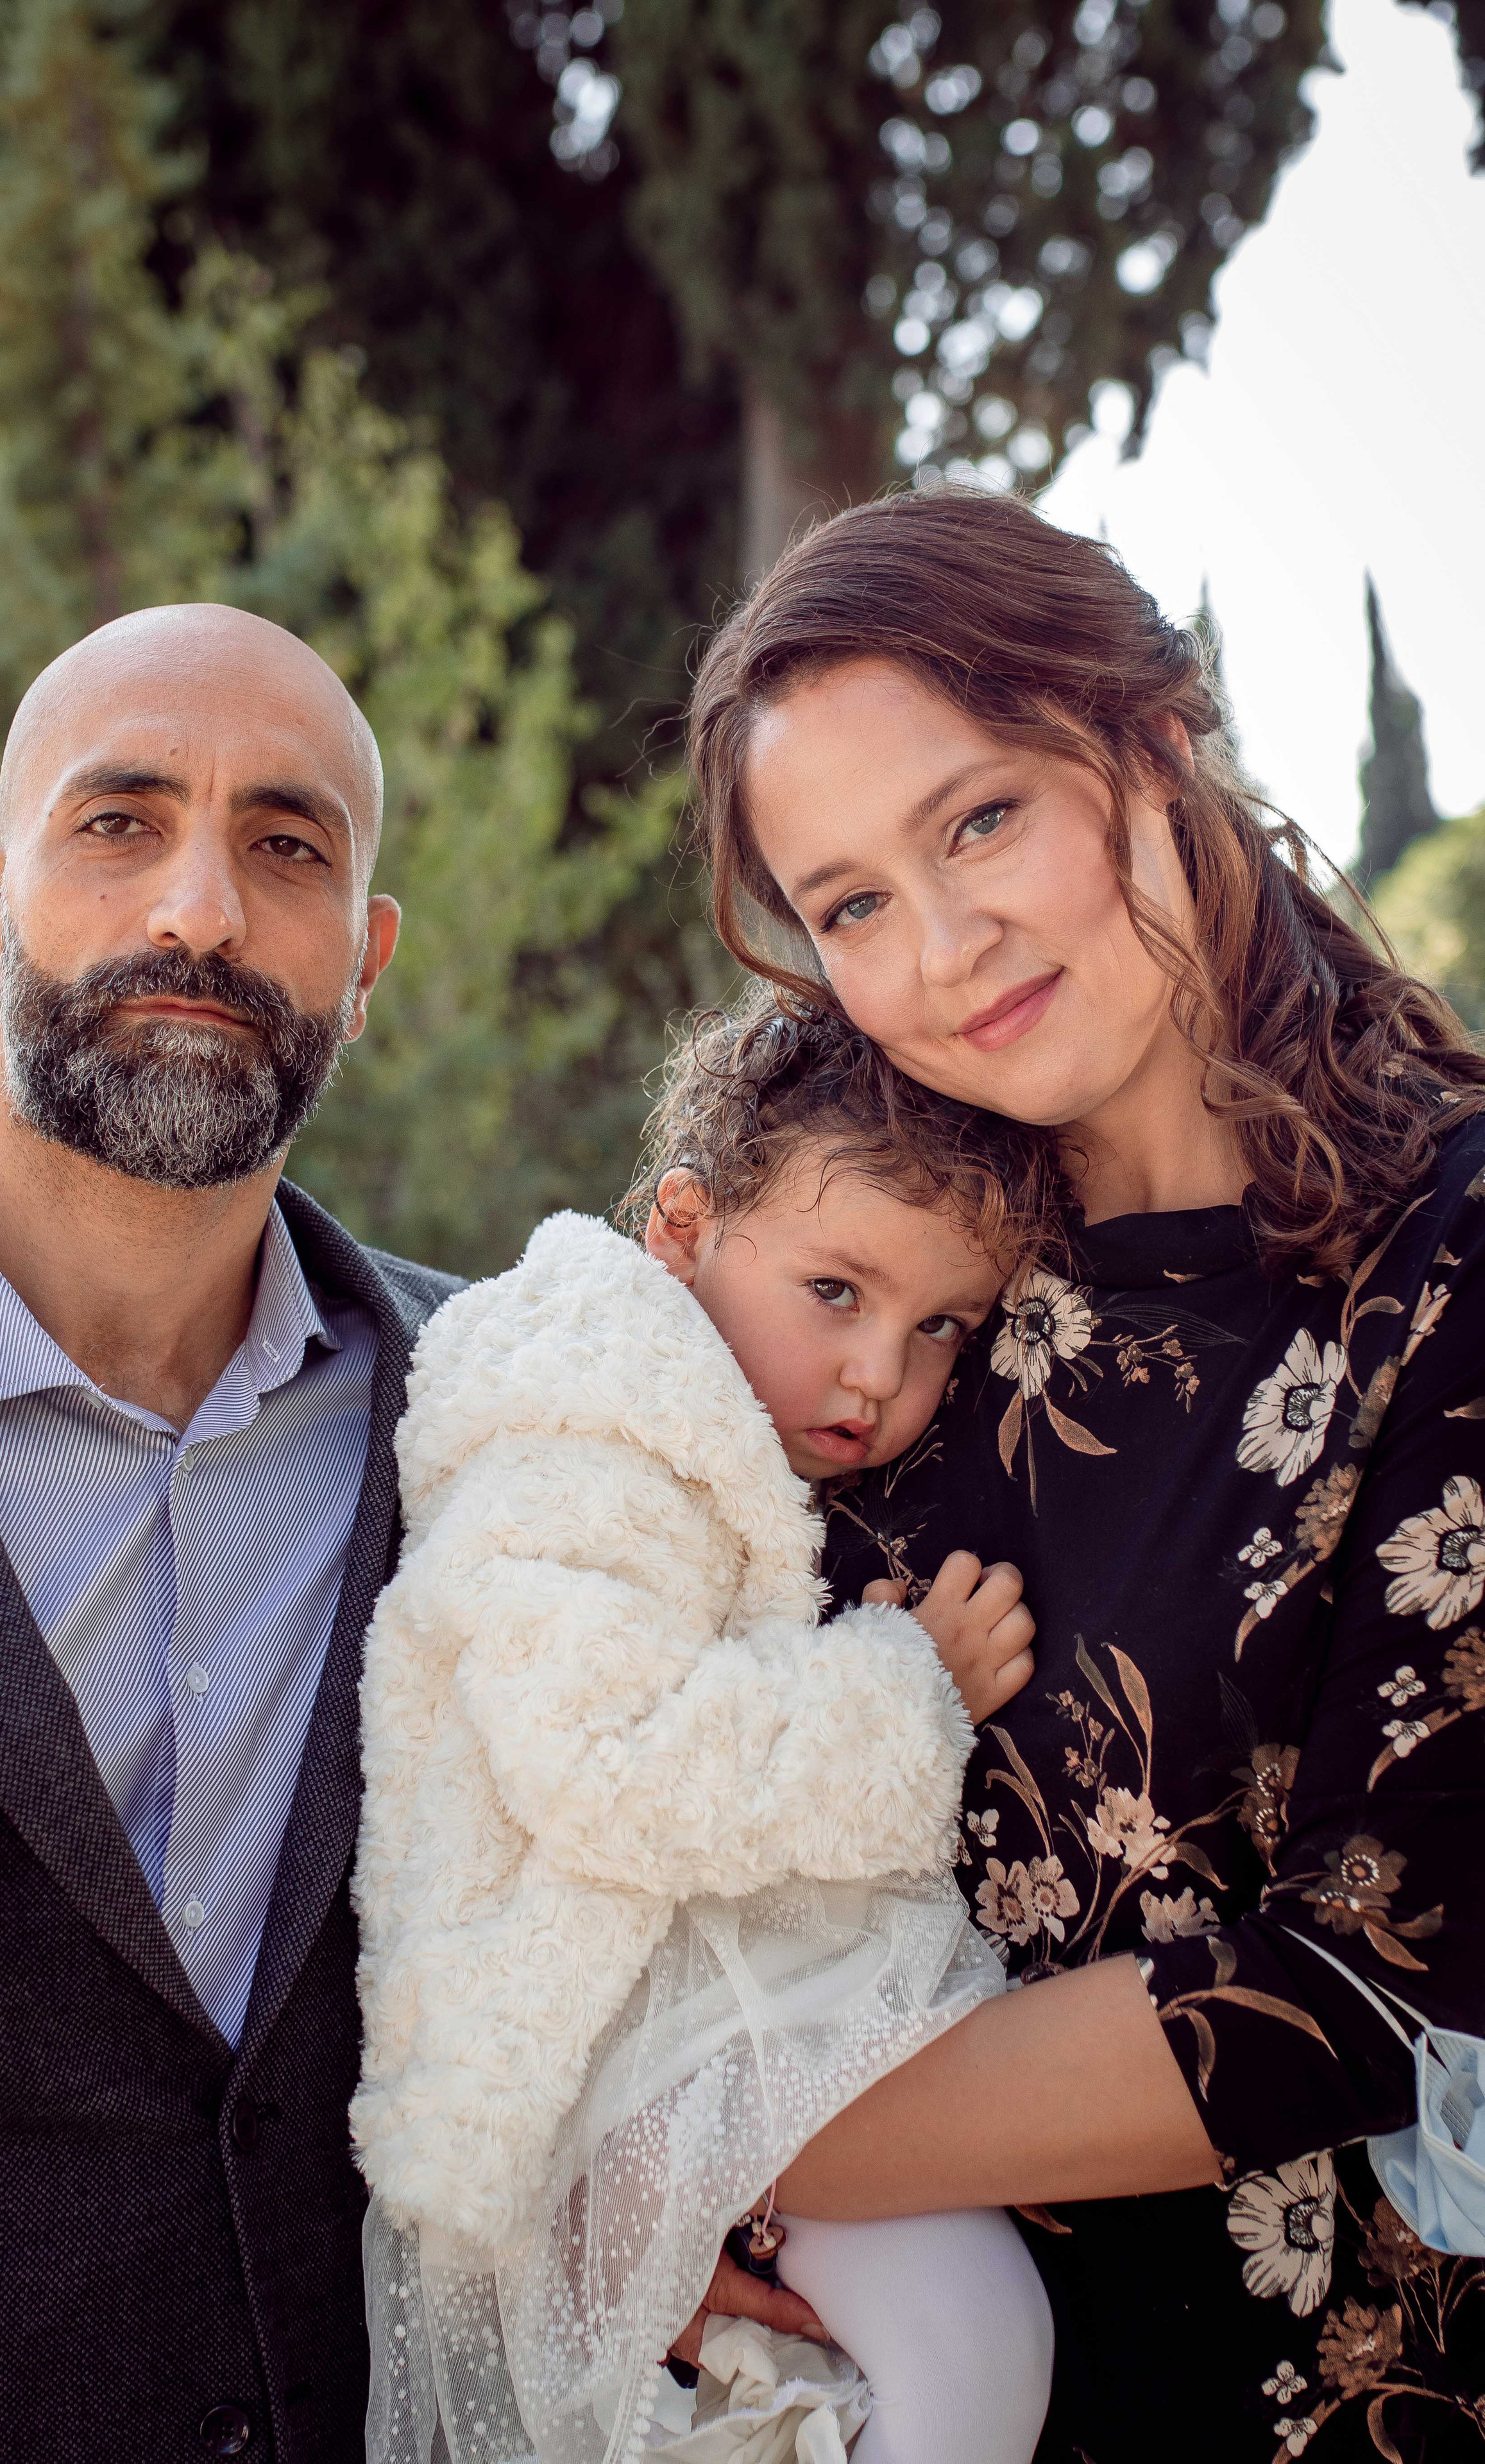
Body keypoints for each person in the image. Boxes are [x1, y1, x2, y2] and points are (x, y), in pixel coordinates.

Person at [679, 486, 1485, 2460]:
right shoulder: (895, 1284)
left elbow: (1369, 1986)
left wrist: (673, 2155)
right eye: (852, 904)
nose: (944, 949)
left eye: (979, 821)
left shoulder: (1452, 1259)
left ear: (1158, 741)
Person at [0, 604, 457, 2462]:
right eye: (117, 823)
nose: (199, 908)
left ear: (365, 961)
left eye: (286, 845)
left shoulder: (502, 1421)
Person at [351, 998, 1056, 2464]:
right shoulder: (581, 1436)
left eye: (940, 1326)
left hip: (663, 2028)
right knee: (974, 2352)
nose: (880, 1374)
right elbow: (608, 1767)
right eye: (836, 1292)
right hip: (599, 2055)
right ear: (684, 1224)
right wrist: (906, 1687)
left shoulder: (692, 1424)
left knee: (921, 2371)